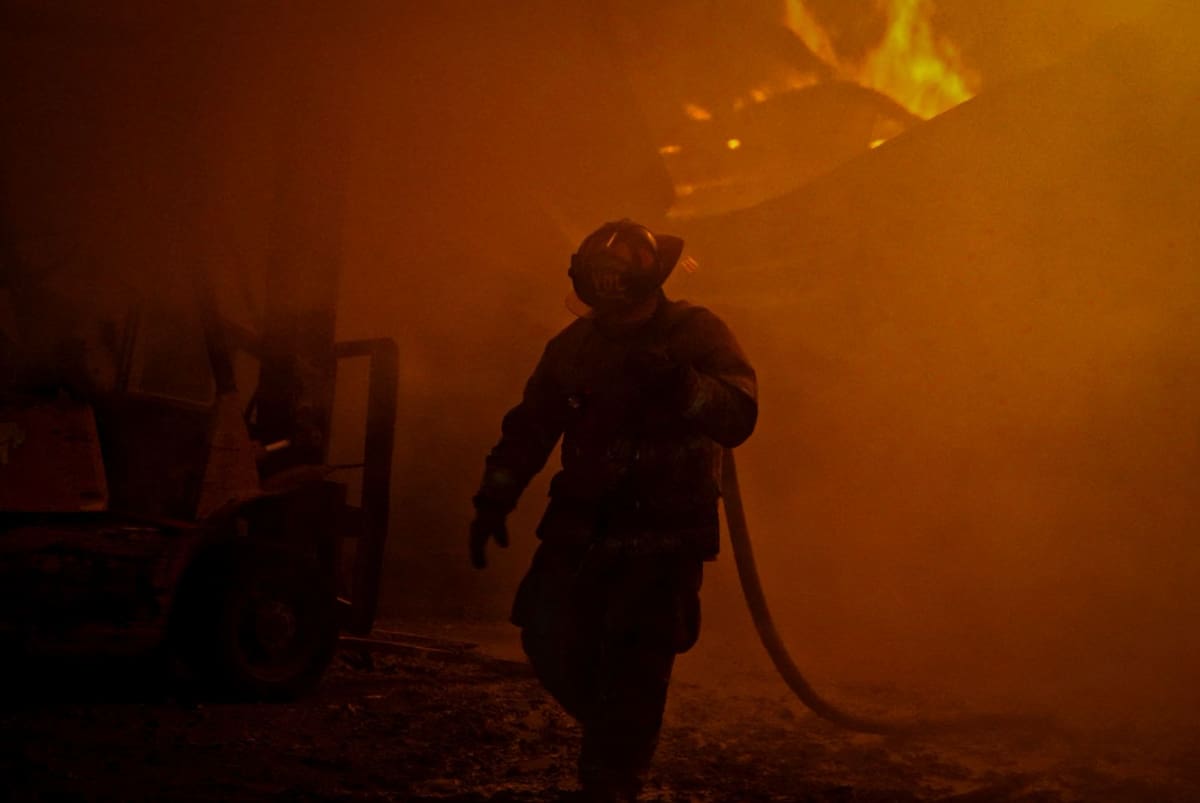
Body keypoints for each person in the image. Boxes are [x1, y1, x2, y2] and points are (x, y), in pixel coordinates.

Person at [469, 219, 757, 802]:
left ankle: (611, 780)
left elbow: (739, 417)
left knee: (636, 665)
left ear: (648, 282)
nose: (608, 305)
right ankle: (617, 735)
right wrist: (494, 496)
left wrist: (682, 384)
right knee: (545, 639)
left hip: (664, 535)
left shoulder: (696, 332)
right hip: (581, 526)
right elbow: (530, 428)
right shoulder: (573, 347)